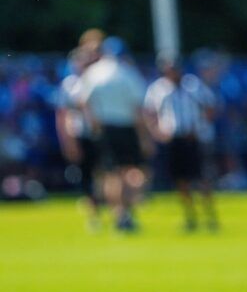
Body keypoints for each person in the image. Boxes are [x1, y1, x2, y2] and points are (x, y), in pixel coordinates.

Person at [79, 36, 152, 231]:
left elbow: (84, 102)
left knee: (111, 174)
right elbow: (138, 109)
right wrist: (145, 137)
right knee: (132, 171)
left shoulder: (92, 73)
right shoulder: (128, 73)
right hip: (126, 127)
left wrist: (94, 125)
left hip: (105, 127)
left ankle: (117, 213)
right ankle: (126, 212)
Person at [144, 52, 219, 231]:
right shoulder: (158, 89)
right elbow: (149, 112)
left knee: (201, 178)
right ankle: (190, 215)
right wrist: (158, 132)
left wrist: (200, 127)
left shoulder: (193, 85)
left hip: (192, 138)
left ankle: (210, 215)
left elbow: (210, 106)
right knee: (180, 179)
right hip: (173, 139)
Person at [55, 38, 103, 229]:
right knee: (86, 175)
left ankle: (117, 210)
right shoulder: (69, 85)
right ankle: (93, 214)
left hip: (99, 133)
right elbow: (62, 115)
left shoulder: (98, 80)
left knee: (105, 173)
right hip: (80, 134)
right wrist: (67, 141)